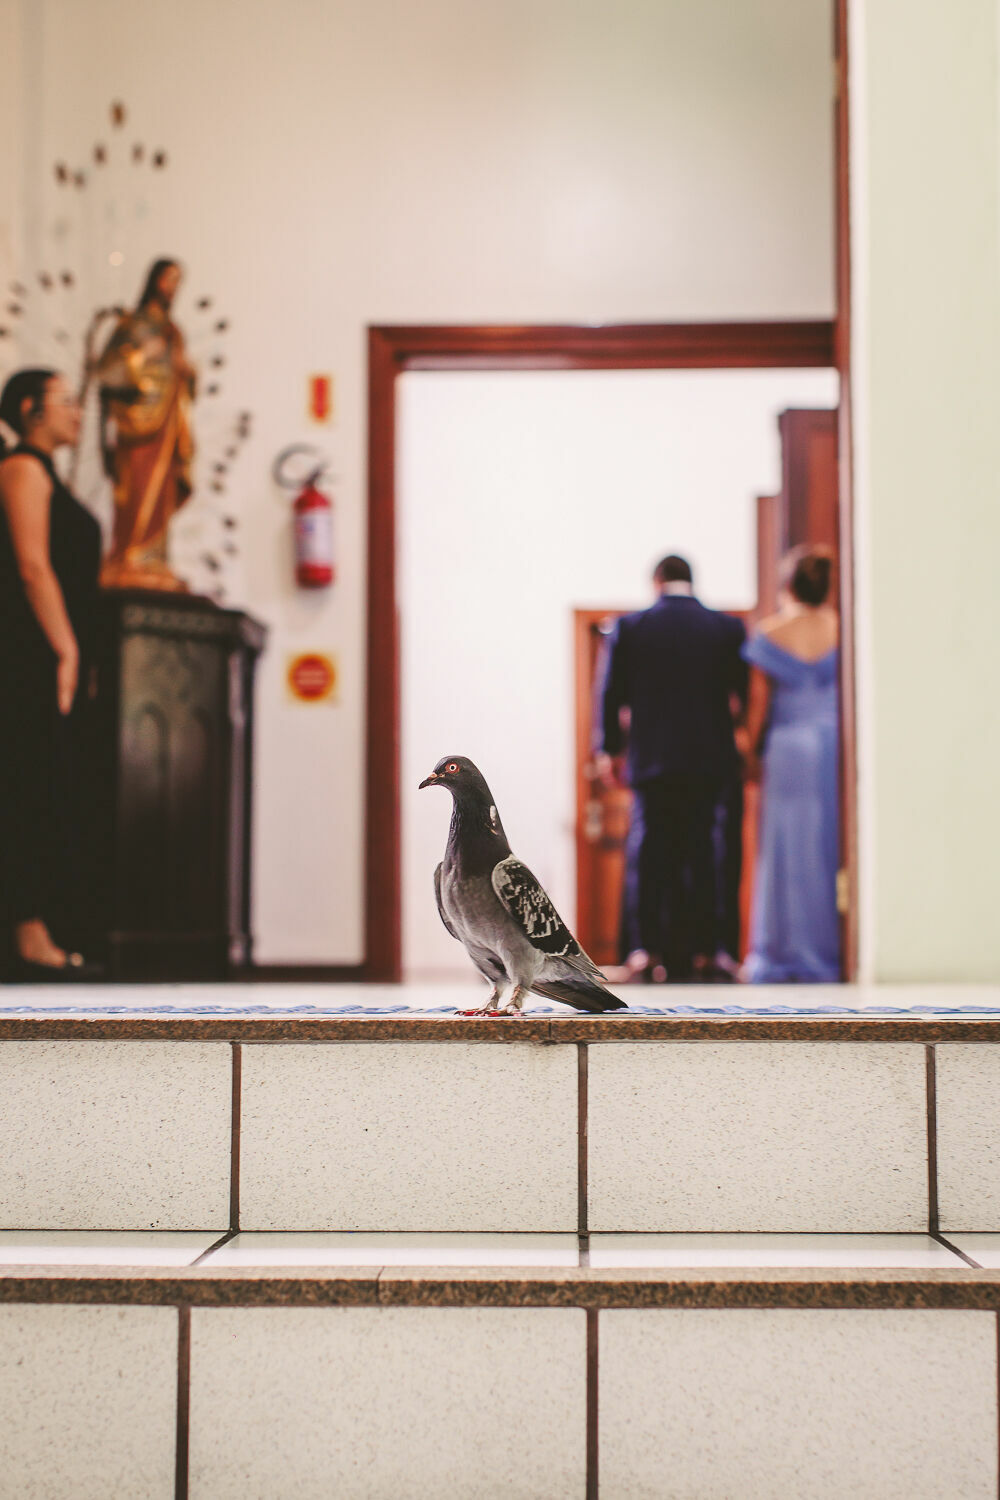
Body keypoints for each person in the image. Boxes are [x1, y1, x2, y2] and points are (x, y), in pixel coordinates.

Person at [597, 554, 746, 981]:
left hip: (653, 761)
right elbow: (741, 697)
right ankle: (709, 951)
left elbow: (609, 694)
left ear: (656, 582)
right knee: (705, 853)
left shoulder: (631, 627)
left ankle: (644, 950)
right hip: (708, 760)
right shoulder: (725, 628)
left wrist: (609, 750)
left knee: (649, 854)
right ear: (691, 581)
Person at [0, 368, 102, 976]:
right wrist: (66, 650)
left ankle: (37, 927)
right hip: (27, 655)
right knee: (26, 791)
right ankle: (28, 936)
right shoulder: (21, 470)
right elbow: (34, 569)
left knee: (45, 788)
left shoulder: (45, 473)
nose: (77, 412)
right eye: (67, 401)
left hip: (46, 654)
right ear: (33, 408)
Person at [742, 546, 840, 982]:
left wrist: (748, 755)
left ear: (788, 584)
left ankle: (783, 951)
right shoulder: (843, 629)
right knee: (827, 847)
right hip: (833, 746)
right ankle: (827, 949)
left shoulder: (771, 632)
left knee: (785, 850)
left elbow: (759, 709)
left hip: (787, 749)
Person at [95, 257, 196, 590]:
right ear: (154, 281)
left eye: (177, 282)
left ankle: (153, 559)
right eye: (169, 280)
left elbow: (184, 380)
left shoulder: (174, 331)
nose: (173, 288)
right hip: (136, 423)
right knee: (136, 488)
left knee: (161, 491)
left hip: (167, 422)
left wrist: (187, 372)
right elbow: (108, 371)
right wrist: (142, 356)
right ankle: (127, 554)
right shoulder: (132, 325)